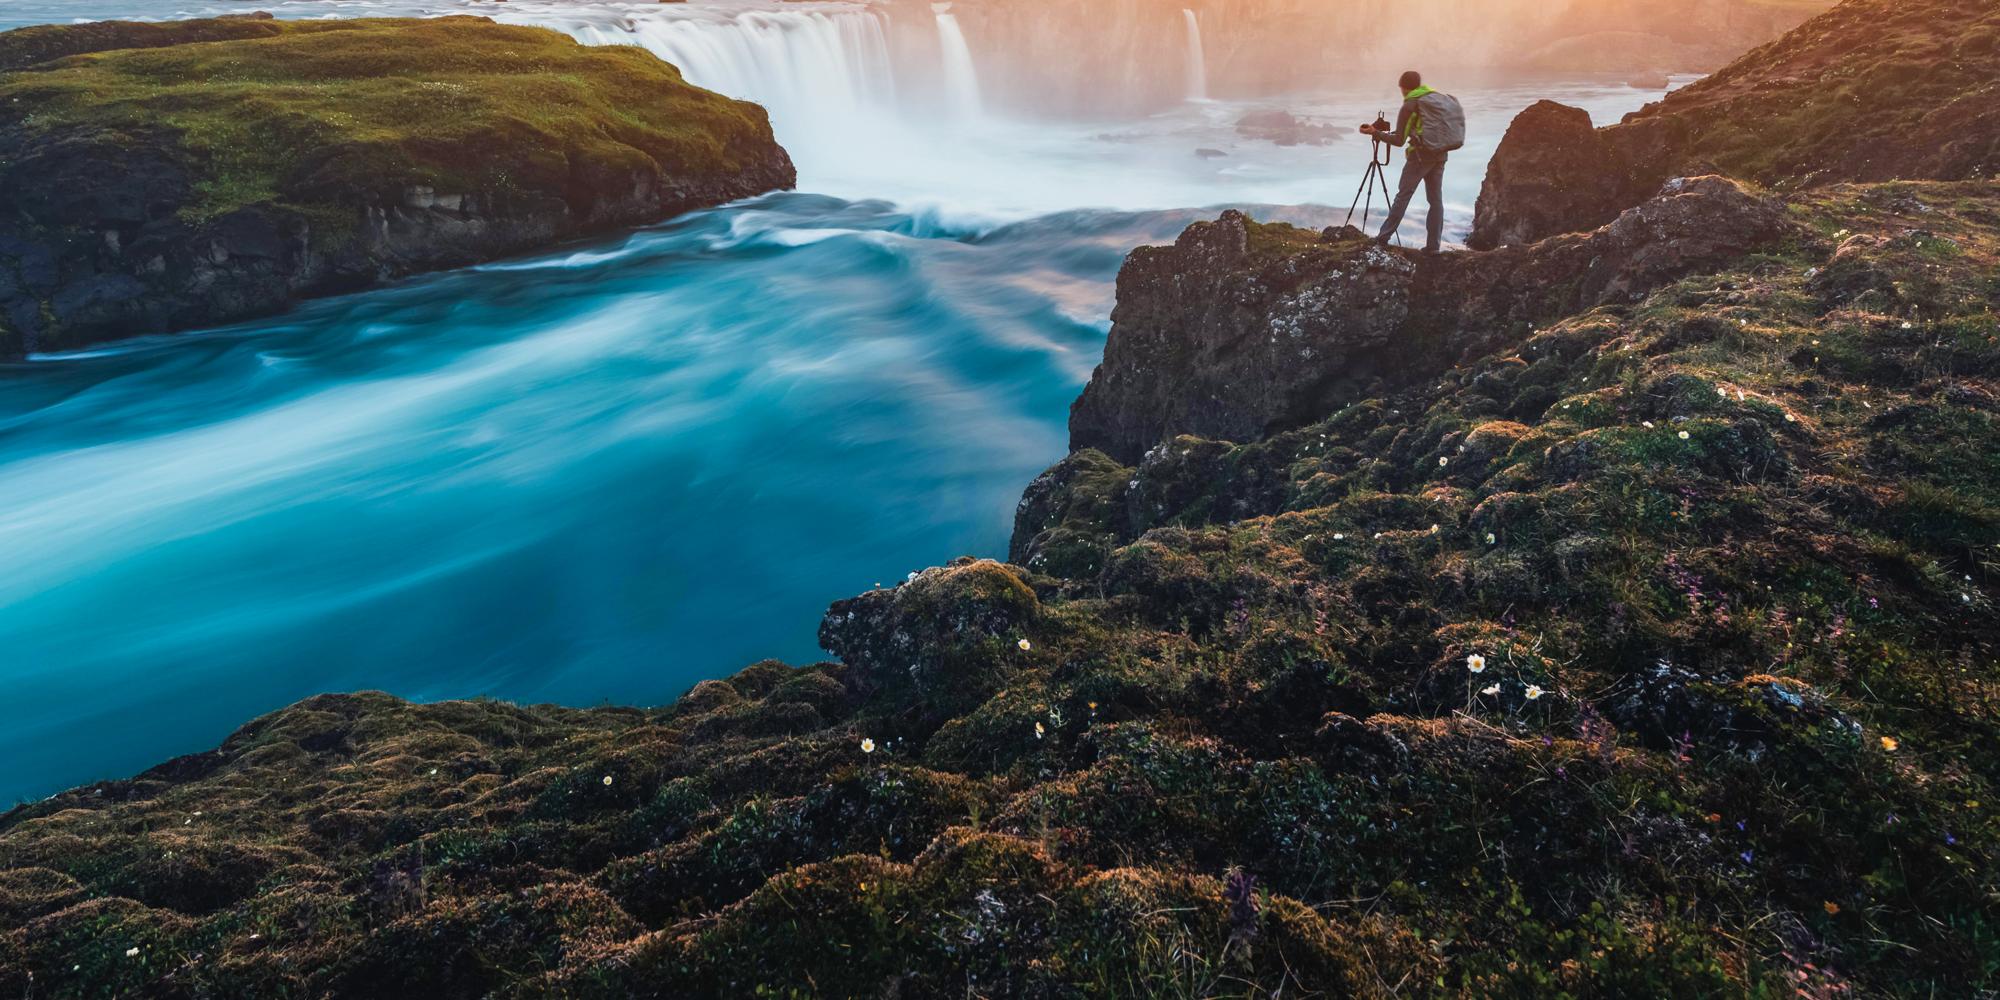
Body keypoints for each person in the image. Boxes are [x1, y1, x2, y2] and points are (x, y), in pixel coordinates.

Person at [1366, 70, 1449, 255]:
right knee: (1435, 200)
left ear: (1403, 87)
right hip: (1440, 155)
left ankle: (1382, 238)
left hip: (1419, 158)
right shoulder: (1435, 98)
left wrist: (1375, 133)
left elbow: (1399, 140)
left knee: (1403, 195)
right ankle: (1433, 247)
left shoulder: (1409, 106)